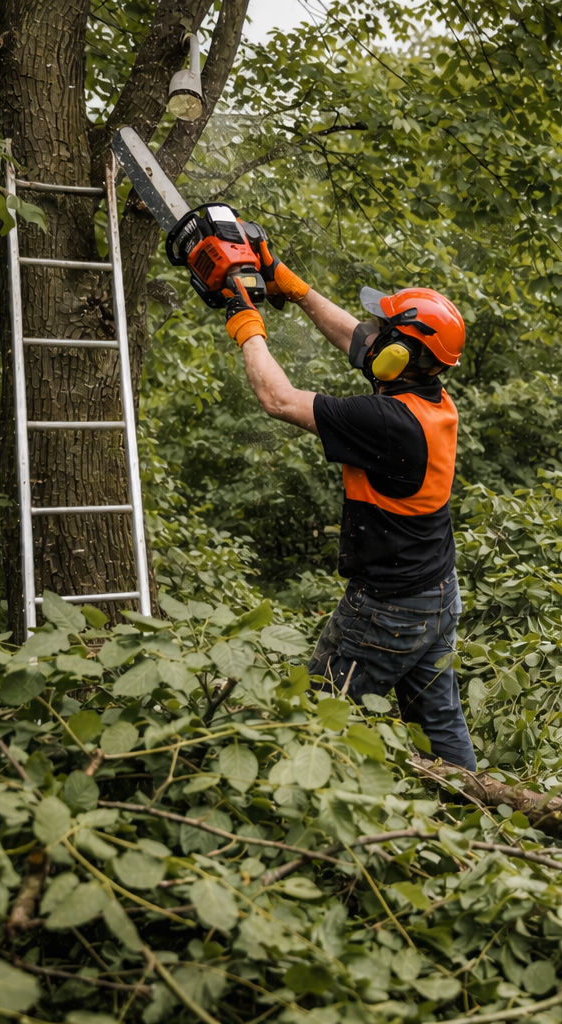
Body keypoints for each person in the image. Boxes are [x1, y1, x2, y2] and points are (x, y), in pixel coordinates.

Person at [216, 240, 476, 770]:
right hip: (436, 593)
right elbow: (355, 339)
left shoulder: (388, 422)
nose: (371, 336)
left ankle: (302, 810)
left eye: (385, 335)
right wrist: (289, 283)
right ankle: (474, 818)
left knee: (318, 718)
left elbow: (279, 399)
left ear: (403, 353)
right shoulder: (429, 398)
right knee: (440, 721)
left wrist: (246, 322)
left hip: (388, 608)